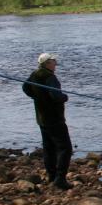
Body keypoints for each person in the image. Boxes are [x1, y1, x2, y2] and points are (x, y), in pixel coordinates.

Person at [23, 53, 74, 189]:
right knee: (65, 148)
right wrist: (65, 97)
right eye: (53, 61)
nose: (55, 63)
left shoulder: (35, 74)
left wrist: (37, 97)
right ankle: (60, 179)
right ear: (47, 63)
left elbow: (25, 88)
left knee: (49, 148)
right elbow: (56, 96)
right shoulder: (50, 77)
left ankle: (51, 176)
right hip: (54, 118)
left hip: (42, 119)